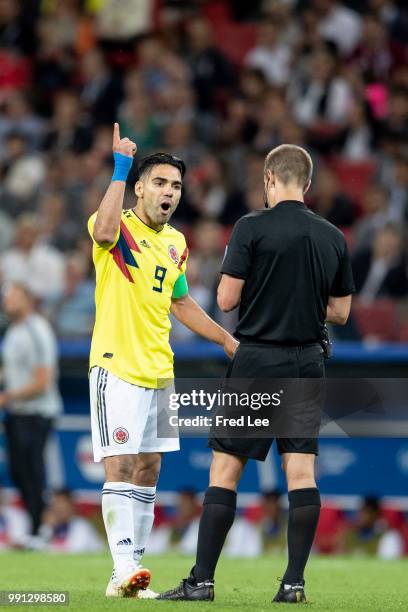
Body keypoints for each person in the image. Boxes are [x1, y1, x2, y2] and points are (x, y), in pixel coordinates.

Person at [158, 144, 355, 603]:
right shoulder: (332, 236)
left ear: (270, 177)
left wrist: (270, 291)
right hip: (307, 361)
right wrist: (302, 296)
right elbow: (341, 312)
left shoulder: (250, 226)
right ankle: (293, 585)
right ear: (305, 183)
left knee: (226, 469)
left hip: (258, 361)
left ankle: (202, 581)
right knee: (301, 471)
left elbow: (226, 300)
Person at [87, 123, 238, 599]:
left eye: (175, 185)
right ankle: (124, 568)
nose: (169, 191)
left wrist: (226, 342)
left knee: (150, 468)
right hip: (116, 365)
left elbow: (182, 304)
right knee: (121, 464)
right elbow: (106, 231)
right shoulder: (114, 225)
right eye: (159, 183)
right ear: (139, 188)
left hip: (159, 369)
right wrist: (120, 165)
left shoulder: (175, 243)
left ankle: (129, 572)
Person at [0, 282, 63, 540]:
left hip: (37, 412)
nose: (7, 301)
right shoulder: (13, 331)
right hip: (17, 412)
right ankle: (35, 524)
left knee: (33, 470)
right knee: (17, 470)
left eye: (12, 296)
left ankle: (40, 528)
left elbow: (43, 379)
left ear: (27, 299)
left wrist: (7, 396)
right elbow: (11, 371)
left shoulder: (38, 330)